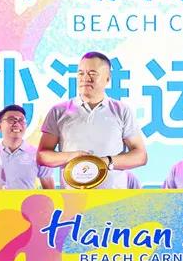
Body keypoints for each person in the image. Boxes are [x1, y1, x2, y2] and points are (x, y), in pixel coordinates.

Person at [37, 52, 147, 188]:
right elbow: (42, 156)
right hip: (73, 197)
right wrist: (71, 157)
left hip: (114, 197)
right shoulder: (58, 111)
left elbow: (140, 156)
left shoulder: (121, 110)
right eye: (81, 73)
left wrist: (107, 161)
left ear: (107, 79)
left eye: (92, 73)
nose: (85, 78)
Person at [0, 104, 54, 189]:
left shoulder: (38, 155)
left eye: (21, 120)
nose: (17, 124)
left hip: (28, 198)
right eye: (11, 120)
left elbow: (50, 191)